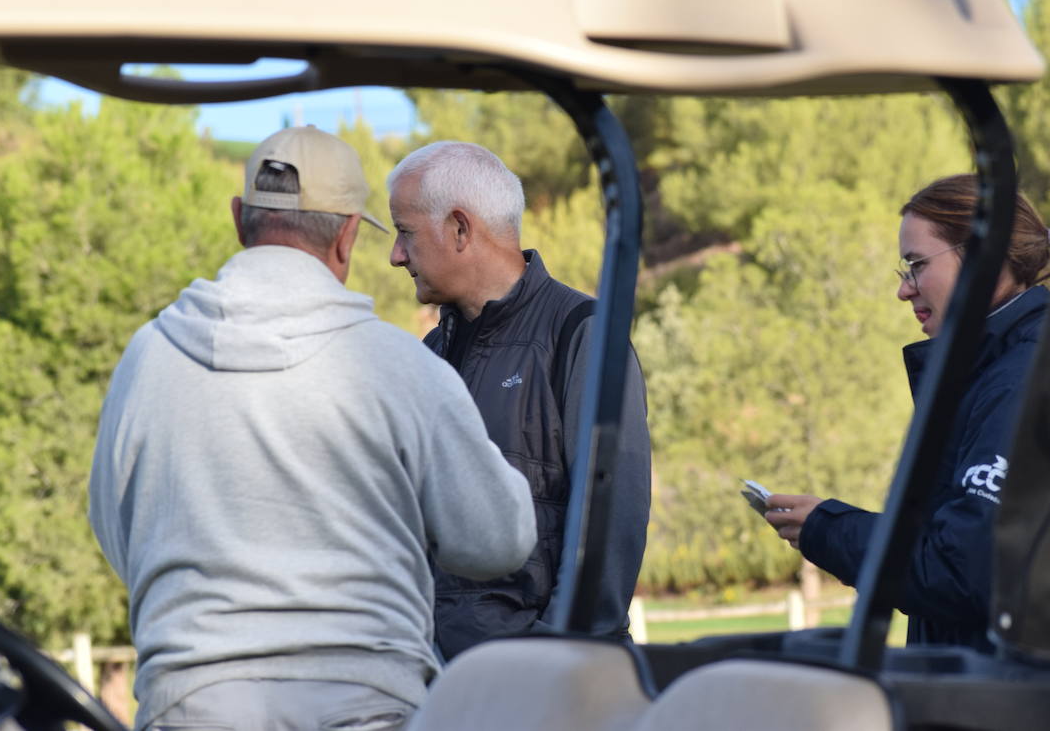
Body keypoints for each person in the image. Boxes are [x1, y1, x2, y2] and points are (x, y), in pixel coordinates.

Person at [88, 126, 536, 731]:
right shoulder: (396, 365)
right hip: (364, 702)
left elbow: (116, 530)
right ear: (348, 236)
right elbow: (498, 539)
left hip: (189, 702)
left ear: (239, 216)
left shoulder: (149, 356)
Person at [763, 174, 1050, 650]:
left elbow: (959, 570)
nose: (904, 291)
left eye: (917, 265)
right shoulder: (1007, 366)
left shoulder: (1021, 377)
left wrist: (827, 528)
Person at [386, 141, 651, 659]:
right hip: (444, 685)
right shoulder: (429, 356)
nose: (396, 255)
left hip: (544, 687)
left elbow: (609, 528)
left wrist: (542, 664)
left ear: (460, 229)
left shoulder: (584, 334)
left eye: (405, 232)